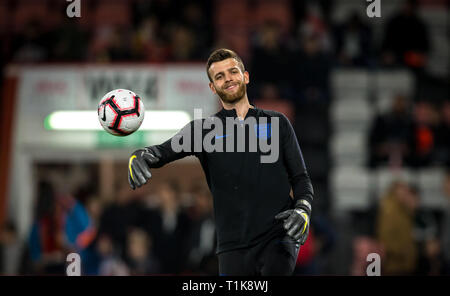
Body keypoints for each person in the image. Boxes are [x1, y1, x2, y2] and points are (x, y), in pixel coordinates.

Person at [127, 48, 314, 276]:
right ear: (212, 87)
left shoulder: (278, 123)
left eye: (232, 72)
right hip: (231, 248)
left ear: (245, 76)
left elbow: (300, 178)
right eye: (219, 76)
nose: (228, 79)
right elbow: (158, 153)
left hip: (277, 238)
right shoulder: (202, 131)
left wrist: (303, 209)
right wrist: (139, 155)